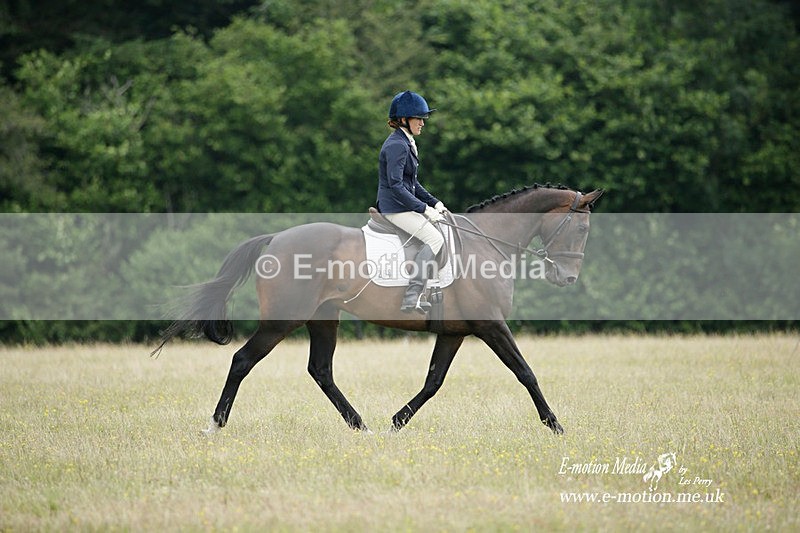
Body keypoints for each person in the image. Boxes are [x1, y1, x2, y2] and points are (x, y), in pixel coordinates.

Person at [376, 90, 448, 314]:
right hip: (394, 208)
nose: (423, 123)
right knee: (435, 239)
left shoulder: (406, 142)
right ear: (404, 119)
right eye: (419, 118)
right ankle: (412, 295)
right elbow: (396, 186)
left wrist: (434, 203)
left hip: (402, 204)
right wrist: (423, 209)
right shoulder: (397, 145)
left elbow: (413, 184)